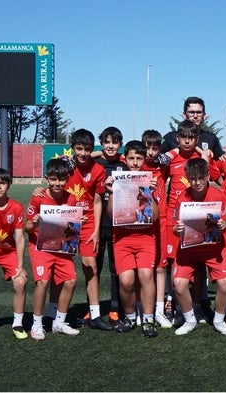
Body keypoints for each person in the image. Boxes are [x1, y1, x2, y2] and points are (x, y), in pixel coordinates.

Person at [171, 158, 226, 336]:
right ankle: (190, 320)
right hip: (189, 249)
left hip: (213, 248)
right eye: (193, 178)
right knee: (178, 283)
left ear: (208, 176)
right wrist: (177, 229)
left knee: (225, 283)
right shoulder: (182, 197)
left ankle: (219, 320)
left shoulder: (218, 195)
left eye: (201, 177)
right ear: (187, 178)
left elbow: (223, 223)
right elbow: (176, 229)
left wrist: (222, 226)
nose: (197, 182)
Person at [60, 129, 113, 331]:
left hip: (88, 223)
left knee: (91, 266)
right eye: (79, 148)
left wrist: (96, 229)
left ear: (92, 150)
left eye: (87, 149)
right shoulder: (65, 165)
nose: (82, 153)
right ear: (73, 148)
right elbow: (51, 186)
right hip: (65, 222)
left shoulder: (98, 169)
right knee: (60, 267)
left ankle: (96, 315)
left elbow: (98, 200)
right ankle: (56, 314)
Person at [106, 140, 160, 338]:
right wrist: (111, 193)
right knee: (127, 281)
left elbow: (154, 216)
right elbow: (110, 214)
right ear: (124, 159)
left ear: (144, 159)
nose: (135, 162)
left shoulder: (150, 180)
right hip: (123, 238)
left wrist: (152, 193)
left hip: (145, 237)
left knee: (146, 276)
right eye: (131, 158)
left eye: (139, 158)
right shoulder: (117, 180)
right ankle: (129, 316)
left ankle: (148, 318)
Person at [26, 159, 80, 340]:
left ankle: (59, 322)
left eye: (62, 179)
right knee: (42, 282)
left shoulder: (71, 198)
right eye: (53, 179)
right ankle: (36, 324)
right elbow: (26, 227)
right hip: (40, 246)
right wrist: (33, 222)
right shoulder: (38, 196)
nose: (58, 183)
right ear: (47, 178)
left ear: (67, 179)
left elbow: (70, 228)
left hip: (61, 247)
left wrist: (77, 225)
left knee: (71, 280)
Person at [0, 168, 28, 340]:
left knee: (20, 281)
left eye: (2, 183)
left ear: (8, 185)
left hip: (8, 251)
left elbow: (19, 238)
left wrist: (20, 266)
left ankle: (18, 323)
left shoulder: (17, 207)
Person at [141, 129, 173, 329]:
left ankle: (160, 310)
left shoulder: (163, 166)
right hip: (140, 220)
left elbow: (175, 160)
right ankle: (141, 309)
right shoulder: (135, 162)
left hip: (161, 219)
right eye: (148, 147)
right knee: (144, 269)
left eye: (155, 148)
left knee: (161, 267)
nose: (151, 152)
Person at [93, 126, 125, 325]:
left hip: (117, 224)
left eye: (114, 142)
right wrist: (97, 152)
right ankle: (93, 308)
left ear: (120, 145)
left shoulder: (125, 163)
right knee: (94, 267)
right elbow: (65, 160)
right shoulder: (94, 163)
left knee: (116, 268)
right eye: (107, 142)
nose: (110, 146)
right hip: (96, 224)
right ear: (101, 143)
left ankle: (115, 307)